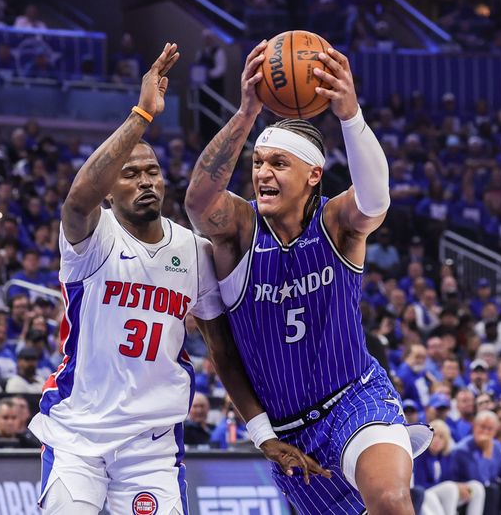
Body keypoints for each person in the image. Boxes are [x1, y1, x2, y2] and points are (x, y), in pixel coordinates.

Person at [28, 43, 325, 515]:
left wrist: (262, 434)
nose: (146, 181)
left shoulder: (193, 250)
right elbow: (77, 200)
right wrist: (143, 113)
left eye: (153, 172)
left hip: (152, 446)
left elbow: (223, 351)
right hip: (78, 436)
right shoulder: (91, 237)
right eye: (130, 174)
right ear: (110, 188)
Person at [185, 40, 432, 514]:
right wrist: (244, 114)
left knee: (390, 499)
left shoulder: (337, 224)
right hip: (291, 430)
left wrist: (351, 115)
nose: (263, 173)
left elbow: (376, 201)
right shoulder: (238, 230)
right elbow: (197, 203)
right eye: (258, 163)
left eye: (279, 163)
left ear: (314, 175)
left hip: (354, 398)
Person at [413, 420, 485, 515]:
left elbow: (451, 479)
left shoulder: (448, 457)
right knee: (450, 488)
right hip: (427, 495)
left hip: (447, 493)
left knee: (476, 487)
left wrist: (459, 486)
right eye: (434, 435)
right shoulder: (420, 456)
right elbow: (420, 485)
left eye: (441, 437)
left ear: (446, 441)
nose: (436, 440)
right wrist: (453, 486)